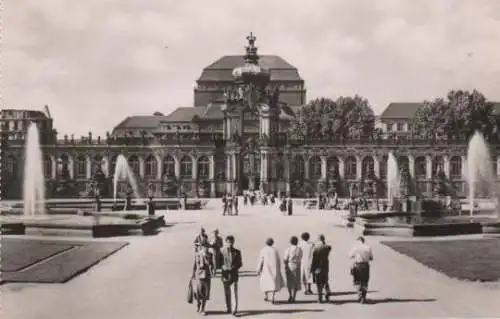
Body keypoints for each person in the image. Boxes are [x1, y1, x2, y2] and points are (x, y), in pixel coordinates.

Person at [256, 238, 285, 304]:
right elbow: (278, 261)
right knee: (273, 283)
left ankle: (266, 296)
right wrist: (279, 269)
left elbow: (261, 260)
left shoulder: (263, 250)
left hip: (265, 269)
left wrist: (258, 269)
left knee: (265, 282)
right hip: (274, 269)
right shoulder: (275, 250)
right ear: (272, 243)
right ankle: (272, 297)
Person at [192, 239, 215, 315]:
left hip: (207, 276)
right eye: (204, 247)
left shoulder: (210, 255)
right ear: (202, 247)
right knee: (198, 292)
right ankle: (198, 304)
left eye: (207, 247)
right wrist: (193, 274)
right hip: (199, 276)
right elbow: (194, 265)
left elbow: (212, 265)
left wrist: (212, 270)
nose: (206, 248)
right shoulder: (198, 254)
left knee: (206, 293)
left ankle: (203, 309)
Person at [221, 235, 242, 315]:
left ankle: (234, 310)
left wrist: (233, 267)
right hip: (225, 275)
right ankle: (228, 308)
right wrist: (223, 267)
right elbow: (218, 262)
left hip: (234, 275)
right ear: (226, 242)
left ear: (233, 242)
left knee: (234, 293)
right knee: (227, 293)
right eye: (228, 242)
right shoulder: (221, 251)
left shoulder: (237, 252)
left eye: (231, 242)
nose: (230, 244)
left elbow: (240, 264)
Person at [349, 236, 373, 303]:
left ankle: (360, 295)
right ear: (363, 241)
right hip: (365, 265)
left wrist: (355, 256)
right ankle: (364, 296)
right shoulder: (368, 247)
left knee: (357, 281)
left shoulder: (355, 247)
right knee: (365, 281)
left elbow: (350, 256)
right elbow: (371, 258)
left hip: (358, 265)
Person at [310, 234, 331, 303]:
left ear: (318, 239)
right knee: (325, 280)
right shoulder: (327, 247)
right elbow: (328, 248)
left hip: (317, 267)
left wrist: (312, 269)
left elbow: (313, 259)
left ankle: (320, 298)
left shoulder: (316, 248)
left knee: (318, 283)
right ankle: (327, 291)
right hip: (325, 266)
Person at [283, 236, 303, 302]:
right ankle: (294, 297)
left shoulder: (288, 249)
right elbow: (300, 257)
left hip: (290, 265)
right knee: (296, 281)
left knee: (289, 281)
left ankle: (290, 295)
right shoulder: (299, 249)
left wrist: (285, 265)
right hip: (297, 265)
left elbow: (285, 259)